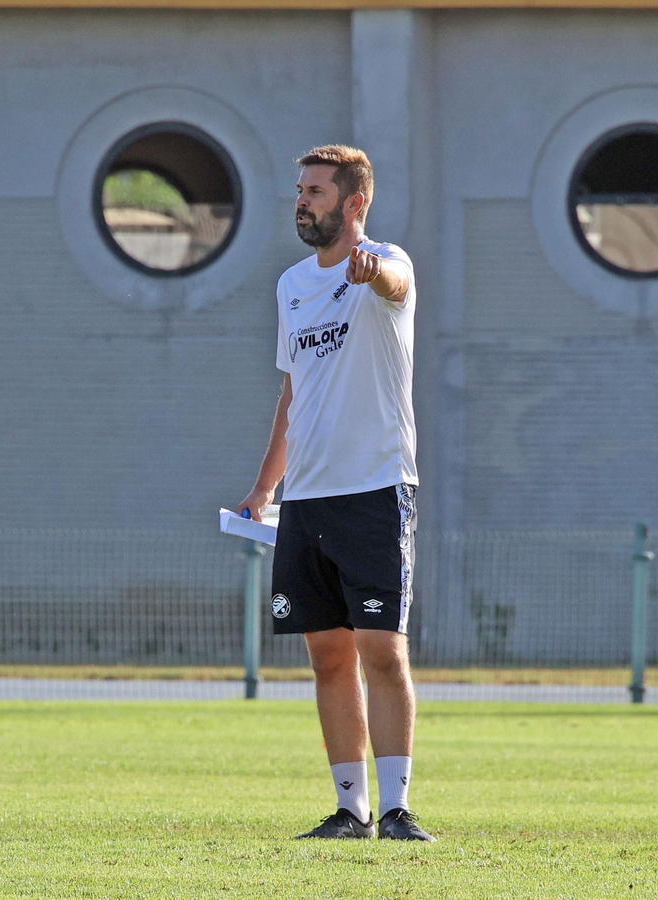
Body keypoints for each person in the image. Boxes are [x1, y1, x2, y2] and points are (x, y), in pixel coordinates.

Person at [236, 145, 432, 842]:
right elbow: (293, 395)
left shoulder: (387, 262)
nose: (301, 201)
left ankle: (398, 809)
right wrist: (265, 488)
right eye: (300, 190)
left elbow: (396, 286)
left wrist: (373, 273)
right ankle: (352, 810)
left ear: (354, 202)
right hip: (307, 499)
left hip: (376, 488)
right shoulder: (290, 285)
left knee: (382, 647)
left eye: (315, 191)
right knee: (327, 655)